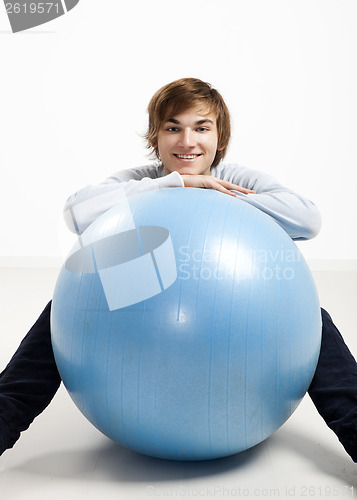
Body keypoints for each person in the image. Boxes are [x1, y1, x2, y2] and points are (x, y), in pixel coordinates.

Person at [1, 78, 357, 462]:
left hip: (237, 301)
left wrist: (214, 193)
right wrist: (178, 183)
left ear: (220, 139)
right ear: (156, 138)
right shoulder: (143, 180)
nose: (188, 142)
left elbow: (307, 220)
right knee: (67, 310)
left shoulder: (236, 178)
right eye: (173, 128)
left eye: (201, 128)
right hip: (141, 300)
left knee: (307, 318)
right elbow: (76, 213)